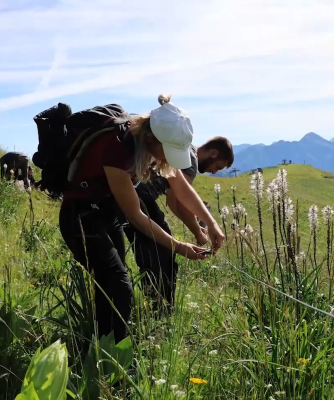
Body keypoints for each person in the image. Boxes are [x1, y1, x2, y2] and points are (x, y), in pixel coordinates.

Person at [58, 95, 224, 340]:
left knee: (114, 283)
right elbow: (135, 215)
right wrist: (178, 246)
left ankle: (102, 342)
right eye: (168, 152)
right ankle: (108, 354)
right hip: (81, 216)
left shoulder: (147, 142)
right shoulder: (117, 147)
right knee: (117, 286)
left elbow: (180, 186)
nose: (168, 159)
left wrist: (211, 223)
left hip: (105, 212)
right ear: (150, 139)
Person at [127, 137, 234, 314]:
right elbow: (179, 202)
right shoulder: (189, 161)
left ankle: (154, 304)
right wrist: (198, 233)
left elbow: (174, 202)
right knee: (162, 251)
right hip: (140, 195)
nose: (214, 171)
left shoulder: (186, 151)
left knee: (155, 250)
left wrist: (197, 227)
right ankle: (160, 309)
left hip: (135, 192)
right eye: (218, 166)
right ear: (213, 153)